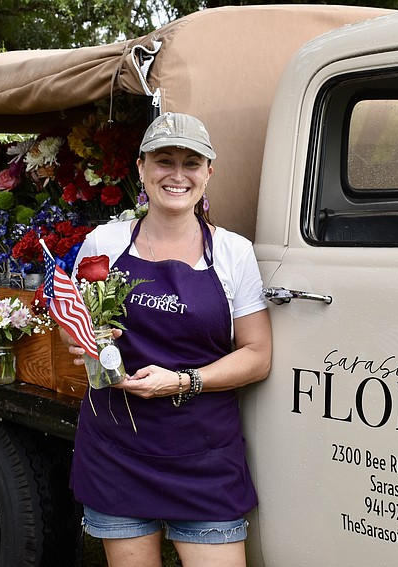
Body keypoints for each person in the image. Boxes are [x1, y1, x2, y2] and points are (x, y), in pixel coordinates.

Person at [67, 112, 272, 567]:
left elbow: (257, 356)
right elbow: (75, 321)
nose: (177, 175)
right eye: (164, 160)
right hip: (117, 448)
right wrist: (80, 339)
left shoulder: (233, 252)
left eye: (191, 163)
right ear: (141, 168)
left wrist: (181, 381)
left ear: (208, 173)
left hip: (203, 456)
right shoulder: (106, 241)